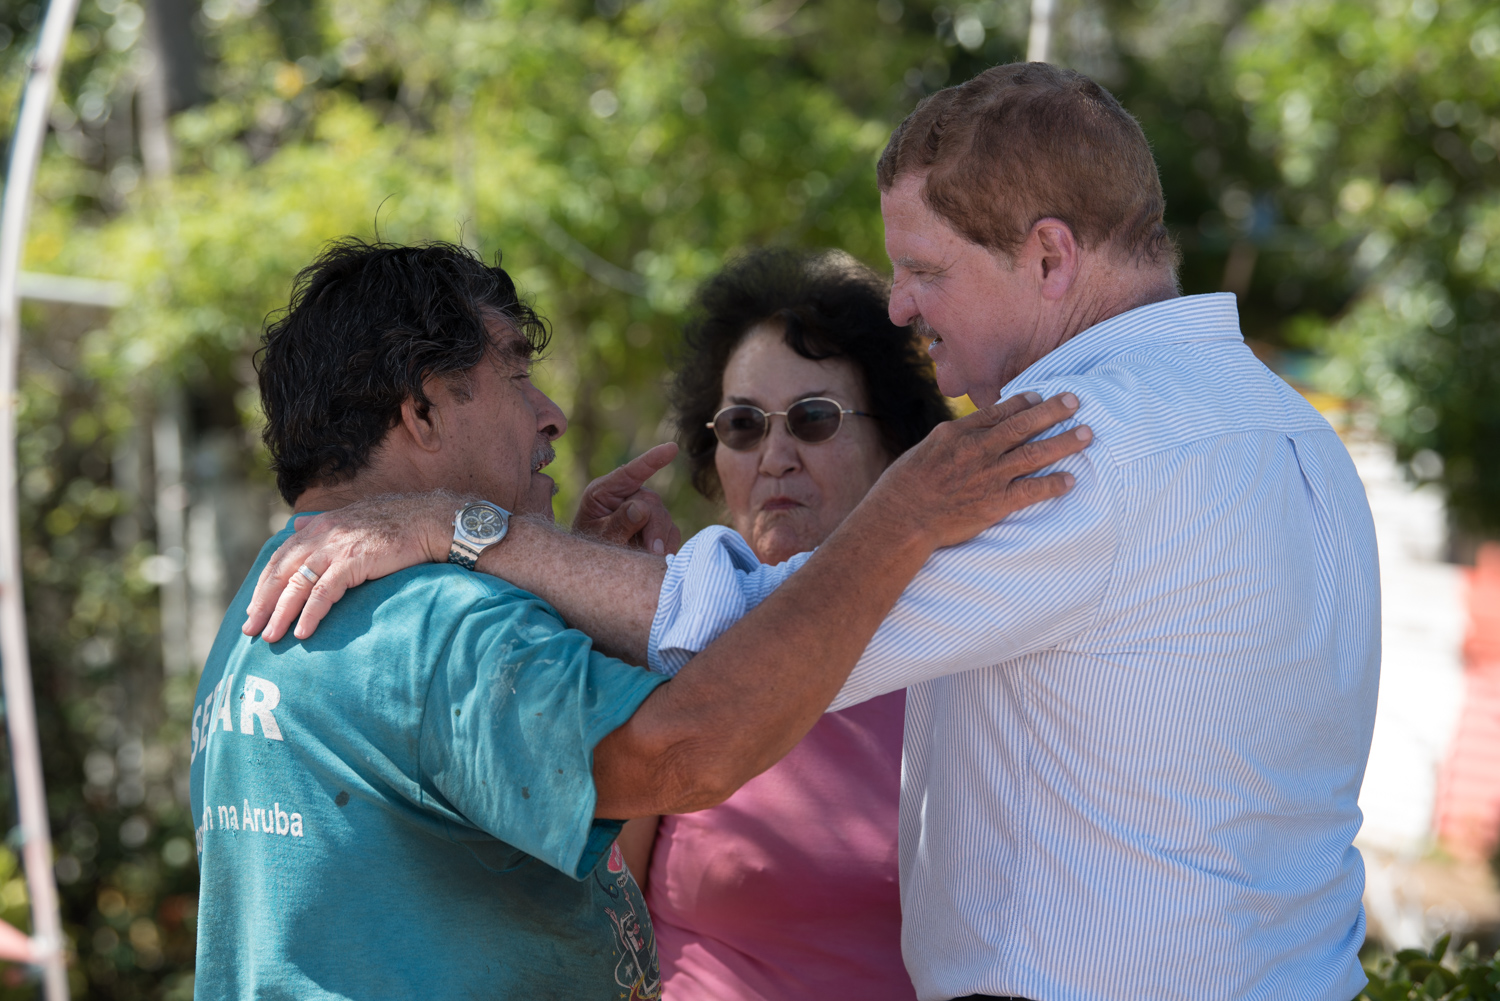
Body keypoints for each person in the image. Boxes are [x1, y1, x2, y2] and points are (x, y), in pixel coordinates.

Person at [246, 62, 1376, 1001]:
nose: (899, 306)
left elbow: (765, 627)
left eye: (926, 270)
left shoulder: (1076, 443)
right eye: (739, 423)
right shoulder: (1293, 430)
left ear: (1049, 256)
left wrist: (460, 524)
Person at [191, 238, 1088, 998]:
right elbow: (686, 752)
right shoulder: (431, 617)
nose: (553, 413)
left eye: (813, 419)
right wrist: (905, 518)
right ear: (422, 409)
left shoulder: (277, 587)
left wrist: (556, 602)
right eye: (515, 374)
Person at [619, 247, 949, 1000]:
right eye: (742, 424)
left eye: (812, 418)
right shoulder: (667, 643)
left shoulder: (963, 647)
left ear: (895, 442)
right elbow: (593, 922)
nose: (774, 456)